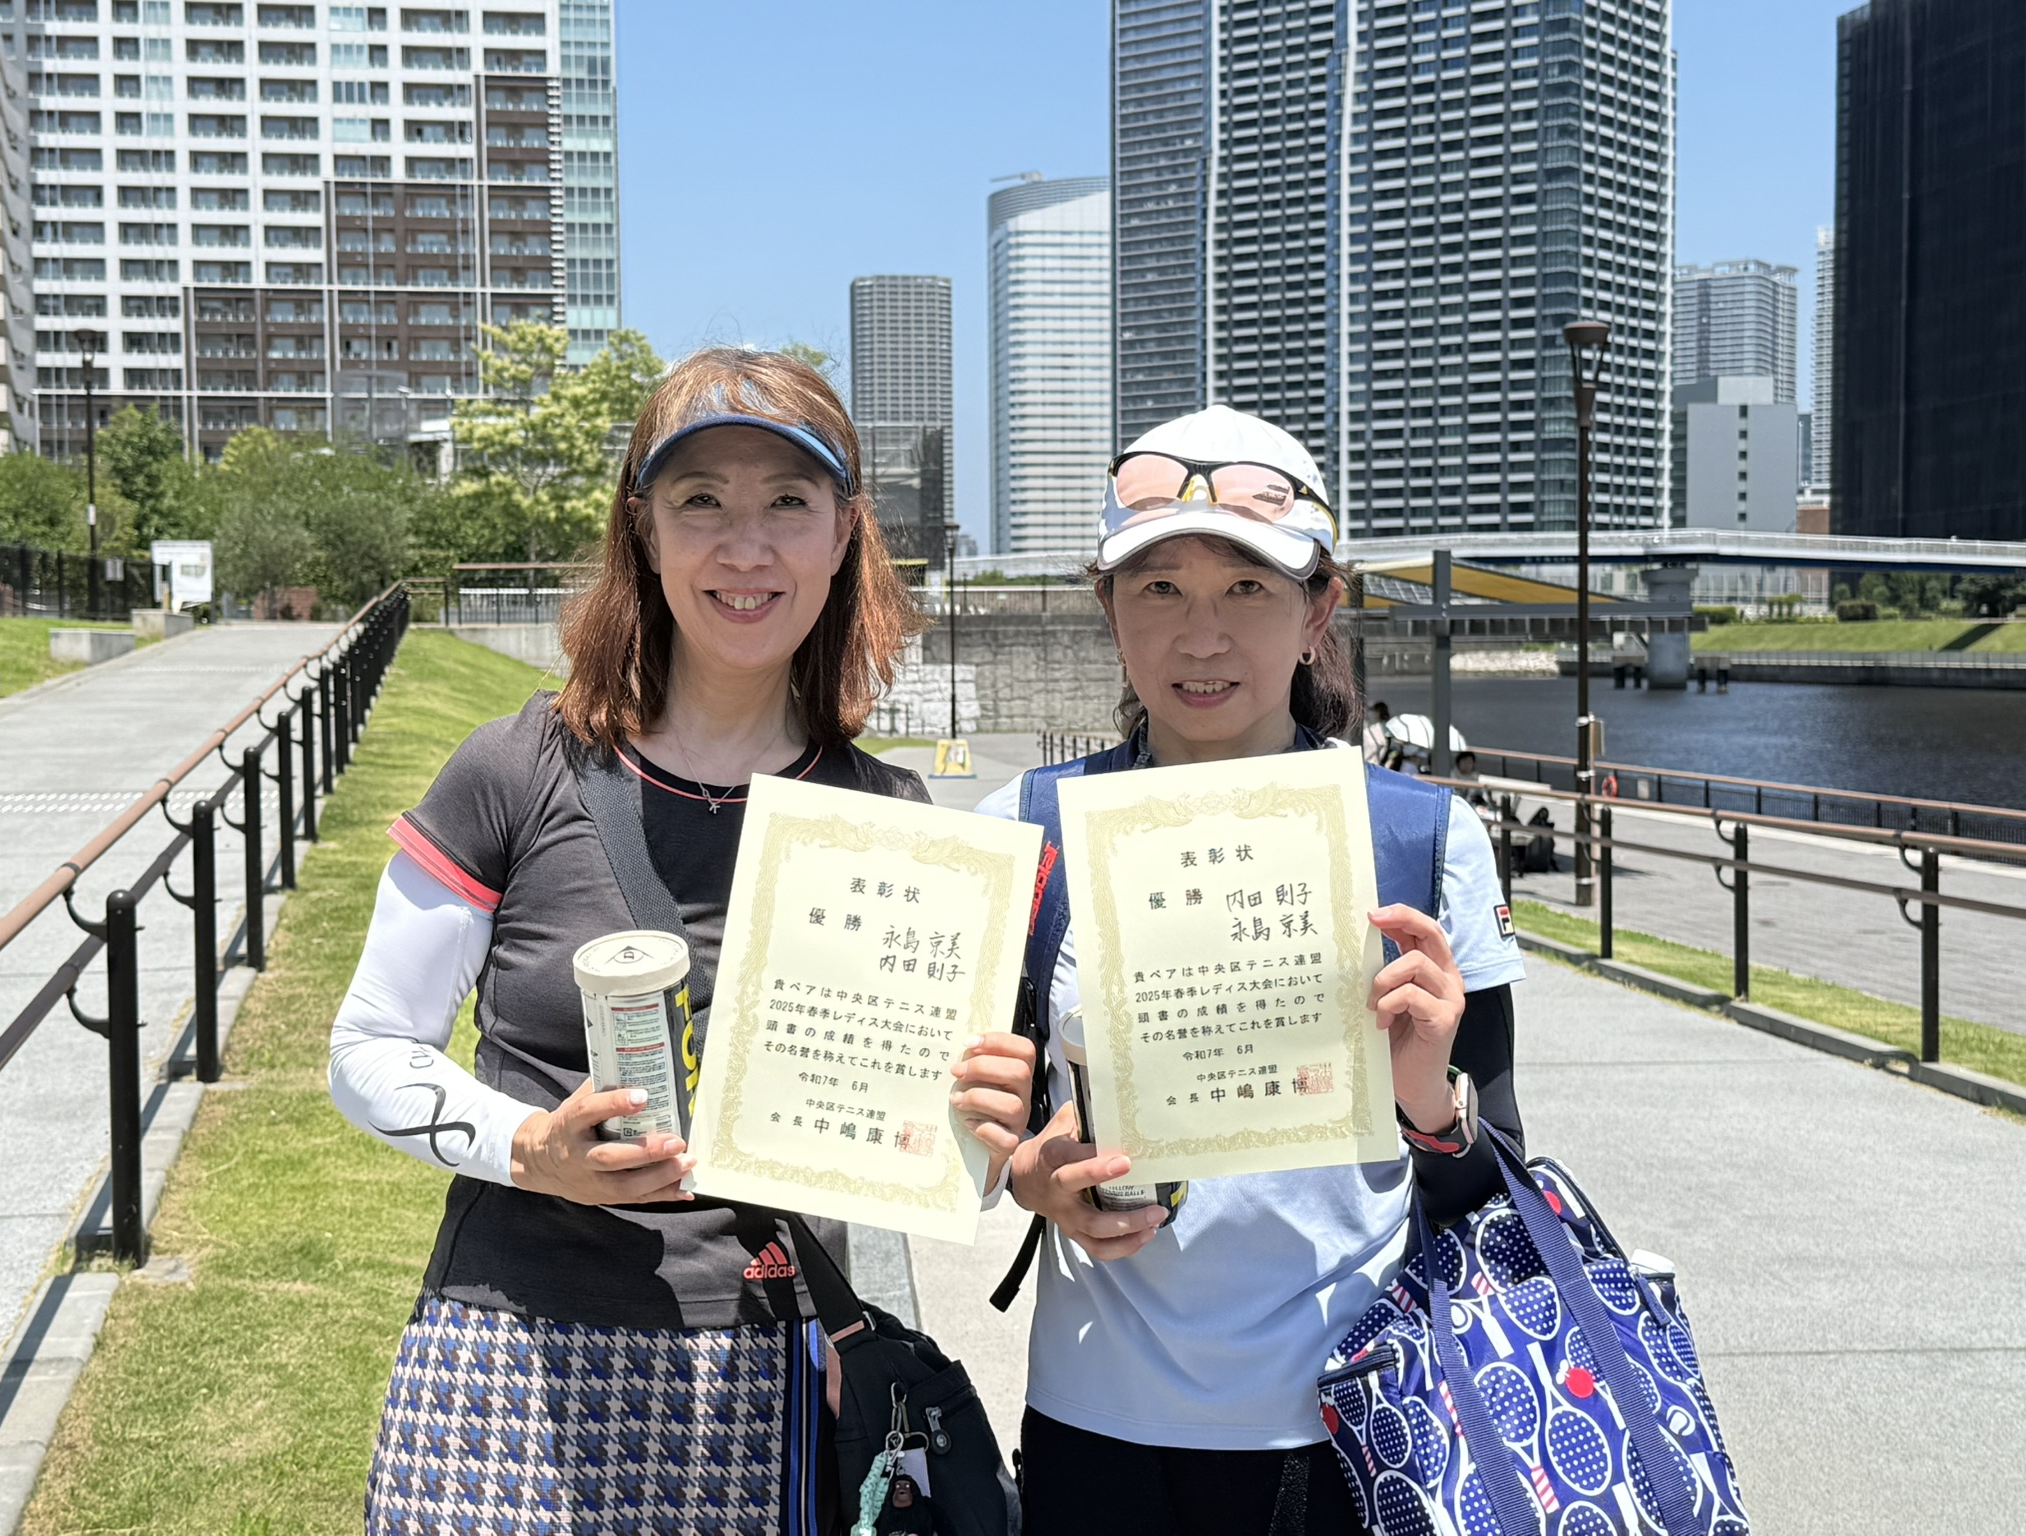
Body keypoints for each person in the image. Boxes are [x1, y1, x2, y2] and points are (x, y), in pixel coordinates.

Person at [329, 349, 1036, 1535]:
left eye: (787, 503)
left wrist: (976, 1112)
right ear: (643, 531)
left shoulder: (890, 820)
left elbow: (910, 1130)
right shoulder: (516, 767)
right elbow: (366, 1049)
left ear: (842, 535)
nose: (744, 548)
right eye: (700, 500)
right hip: (506, 1354)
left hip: (763, 1364)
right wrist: (528, 1148)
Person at [979, 406, 1526, 1536]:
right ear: (1109, 609)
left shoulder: (1425, 838)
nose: (1201, 637)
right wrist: (1029, 1178)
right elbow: (965, 1141)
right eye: (1158, 589)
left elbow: (1497, 1177)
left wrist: (1428, 1101)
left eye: (1245, 588)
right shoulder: (1022, 830)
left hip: (1358, 1415)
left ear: (1317, 608)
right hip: (1096, 1422)